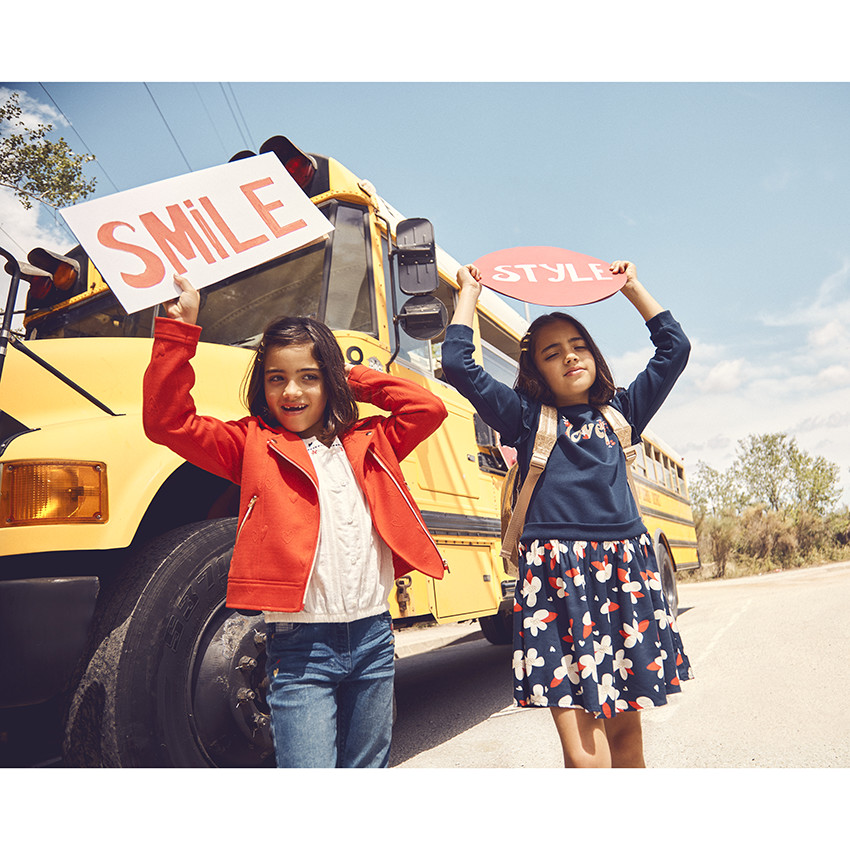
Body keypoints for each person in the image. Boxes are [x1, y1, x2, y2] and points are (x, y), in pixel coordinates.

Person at [143, 274, 447, 768]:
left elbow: (427, 407)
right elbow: (167, 421)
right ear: (262, 385)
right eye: (277, 378)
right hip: (301, 649)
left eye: (310, 376)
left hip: (374, 638)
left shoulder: (371, 440)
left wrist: (351, 375)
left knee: (366, 770)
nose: (292, 391)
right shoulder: (250, 444)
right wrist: (176, 334)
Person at [441, 260, 693, 768]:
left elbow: (675, 349)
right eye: (552, 353)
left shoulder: (623, 413)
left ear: (596, 357)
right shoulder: (525, 418)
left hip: (626, 579)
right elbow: (458, 365)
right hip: (556, 584)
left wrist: (632, 288)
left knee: (628, 740)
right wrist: (468, 293)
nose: (570, 357)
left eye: (579, 347)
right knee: (581, 752)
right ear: (536, 372)